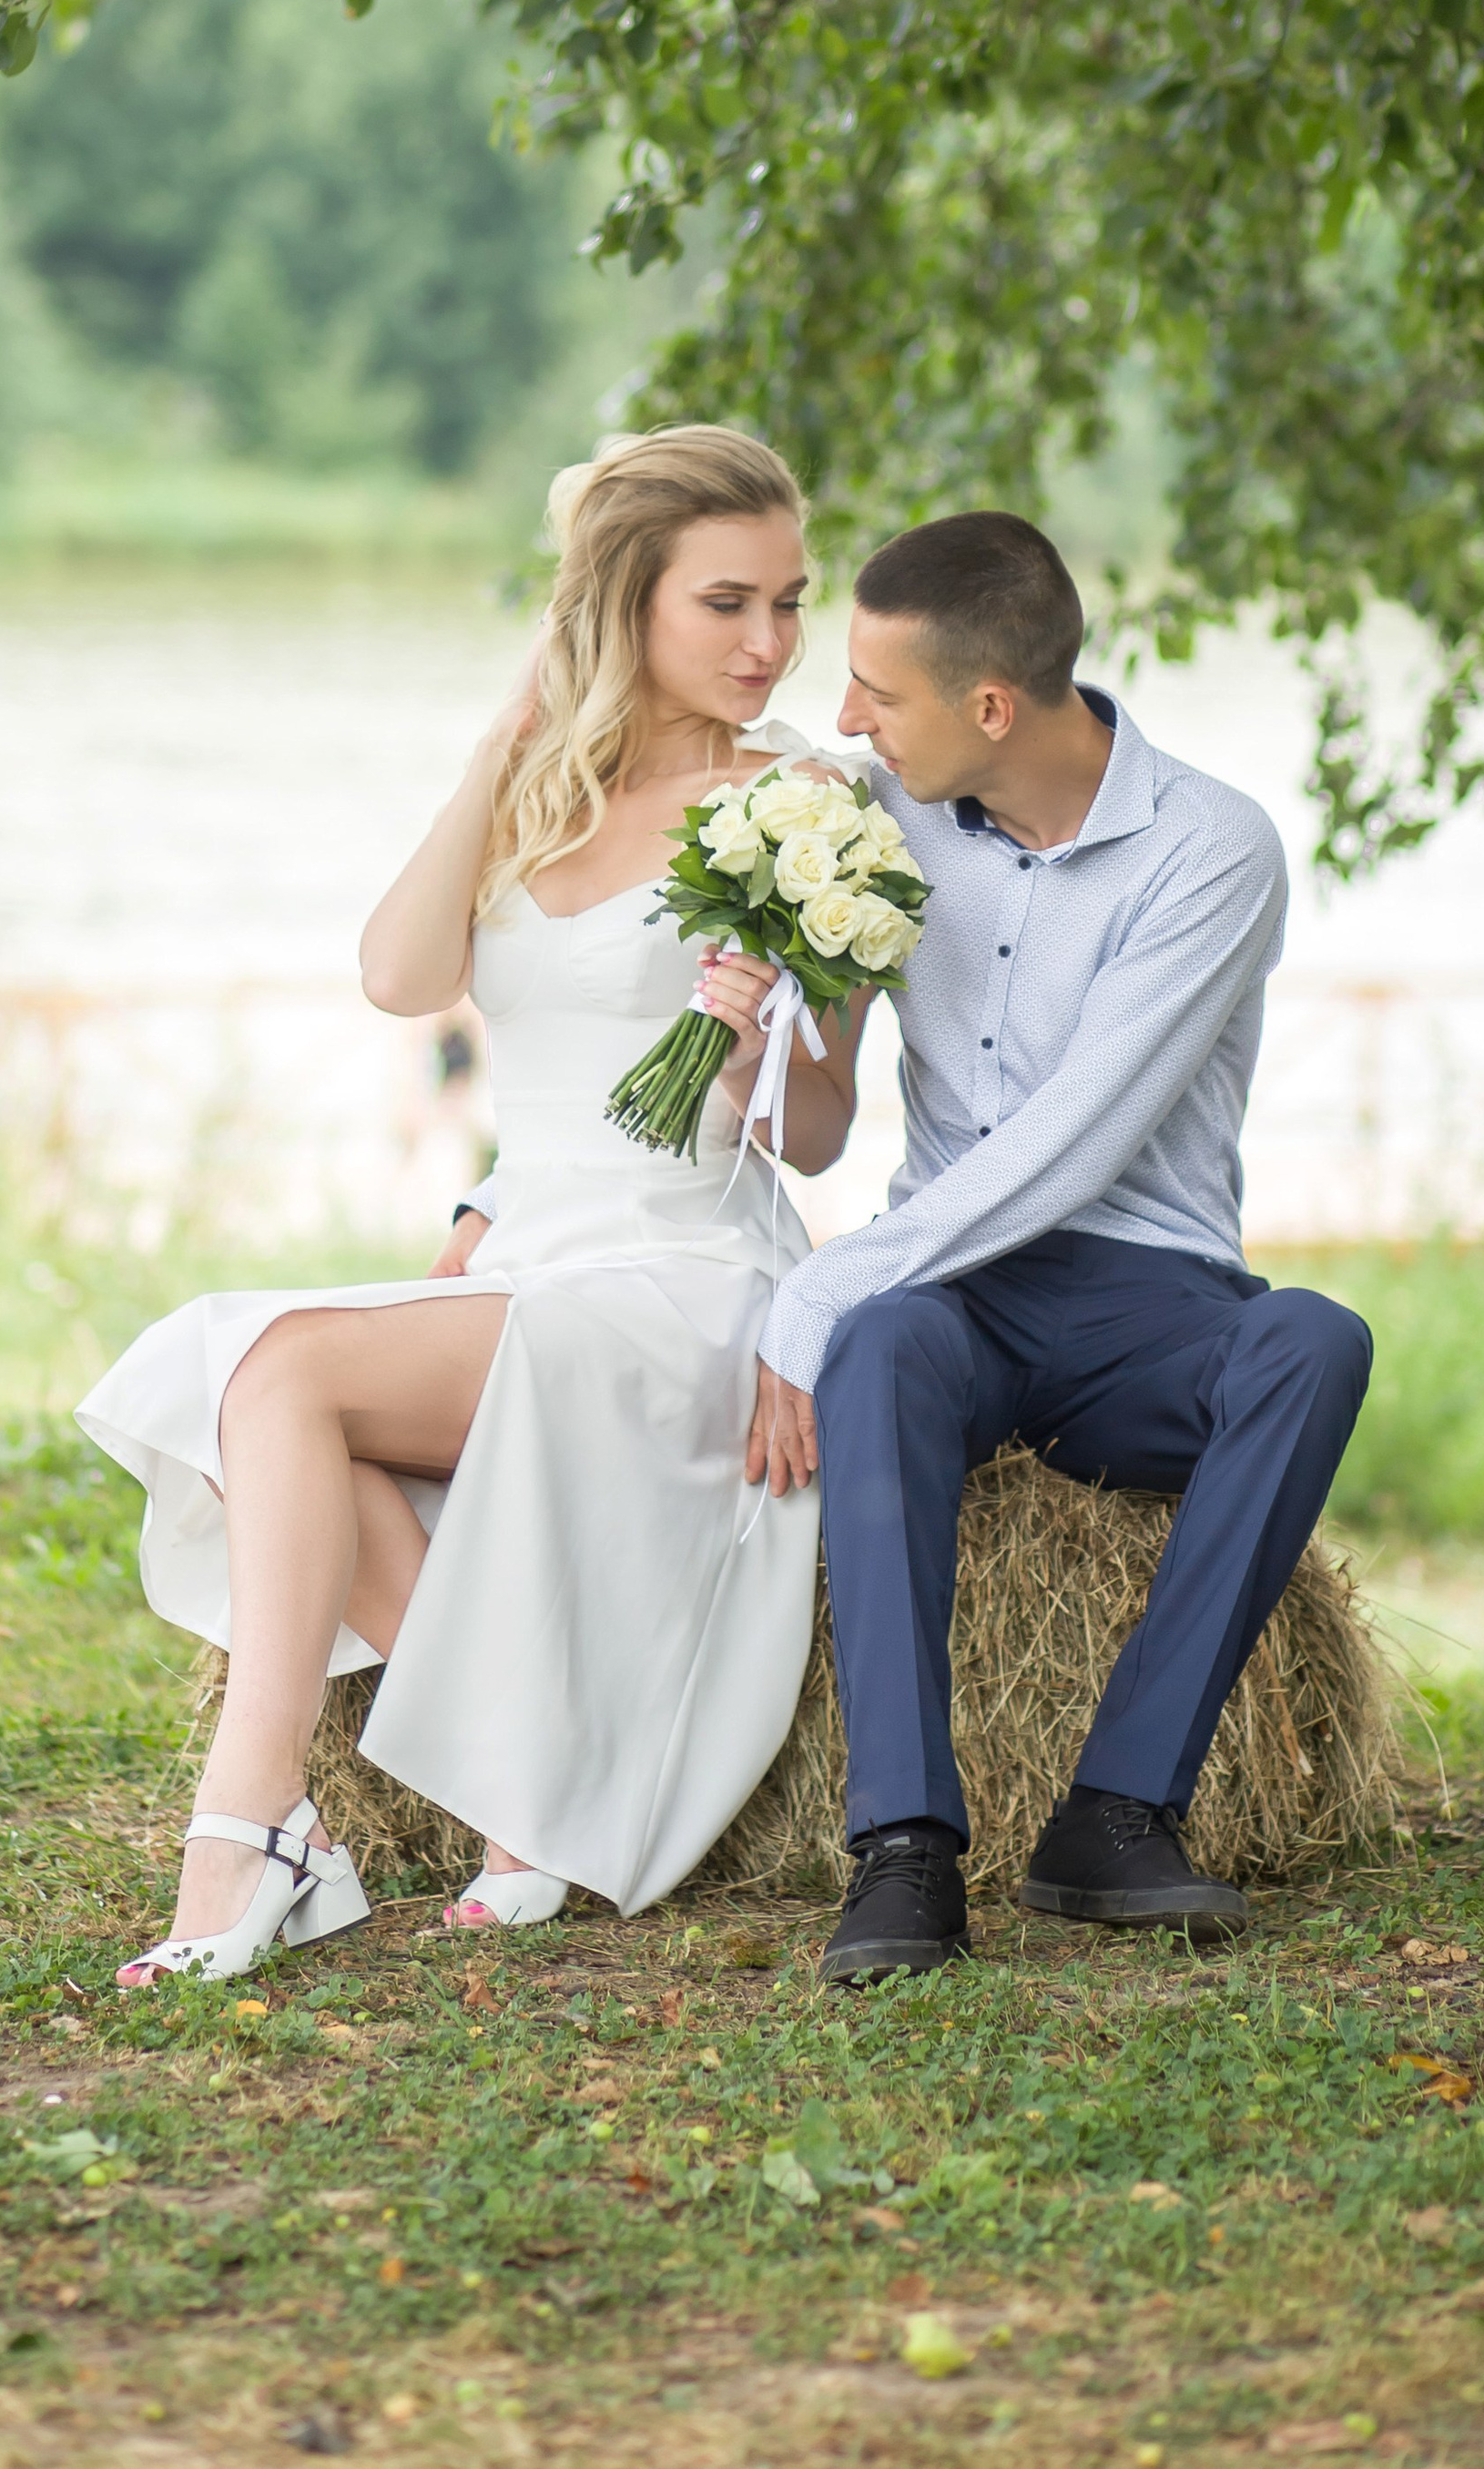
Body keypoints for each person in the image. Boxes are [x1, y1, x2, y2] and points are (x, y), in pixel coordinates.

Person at [464, 507, 1372, 1984]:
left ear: (991, 707)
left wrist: (818, 1286)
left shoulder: (1212, 849)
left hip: (1154, 1303)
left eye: (878, 691)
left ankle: (1117, 1814)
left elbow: (1077, 1138)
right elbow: (722, 1066)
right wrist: (522, 1179)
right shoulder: (864, 816)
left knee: (1317, 1341)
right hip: (947, 1297)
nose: (842, 716)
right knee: (882, 1347)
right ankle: (902, 1849)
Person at [76, 426, 865, 1984]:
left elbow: (825, 1133)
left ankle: (247, 1831)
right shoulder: (538, 787)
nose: (771, 642)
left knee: (279, 1368)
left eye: (788, 600)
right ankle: (518, 1799)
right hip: (533, 1253)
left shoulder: (803, 800)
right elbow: (399, 974)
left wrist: (755, 1041)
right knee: (266, 1385)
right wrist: (507, 735)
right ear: (623, 601)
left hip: (689, 1271)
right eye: (726, 602)